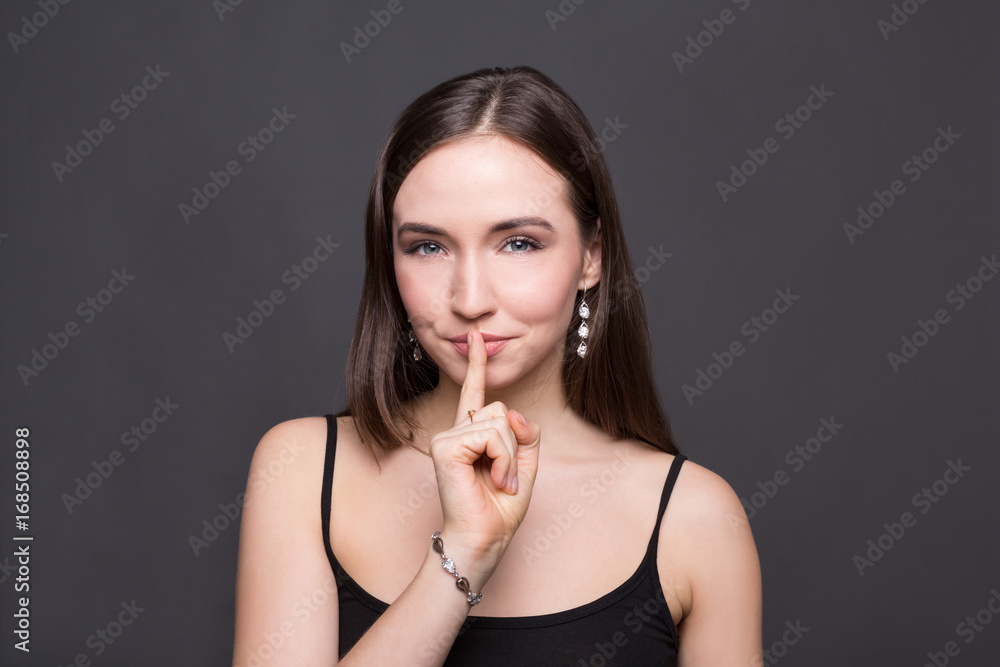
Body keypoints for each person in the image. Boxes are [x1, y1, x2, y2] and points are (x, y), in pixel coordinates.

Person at [232, 65, 761, 666]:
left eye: (518, 243)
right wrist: (463, 552)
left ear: (591, 257)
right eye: (427, 246)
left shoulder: (696, 517)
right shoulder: (303, 470)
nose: (470, 298)